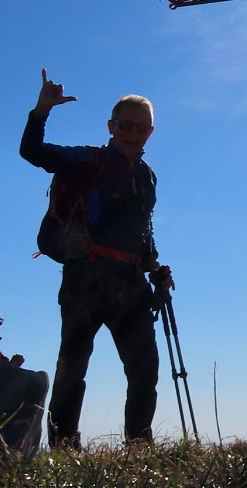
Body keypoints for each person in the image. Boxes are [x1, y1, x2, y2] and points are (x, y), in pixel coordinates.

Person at [20, 68, 173, 448]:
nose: (133, 133)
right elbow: (33, 152)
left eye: (141, 128)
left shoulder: (148, 176)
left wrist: (153, 267)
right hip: (85, 279)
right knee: (73, 368)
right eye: (126, 125)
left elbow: (140, 228)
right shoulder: (87, 160)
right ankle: (64, 448)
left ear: (150, 132)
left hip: (130, 282)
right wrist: (41, 111)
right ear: (111, 125)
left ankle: (139, 449)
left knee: (145, 372)